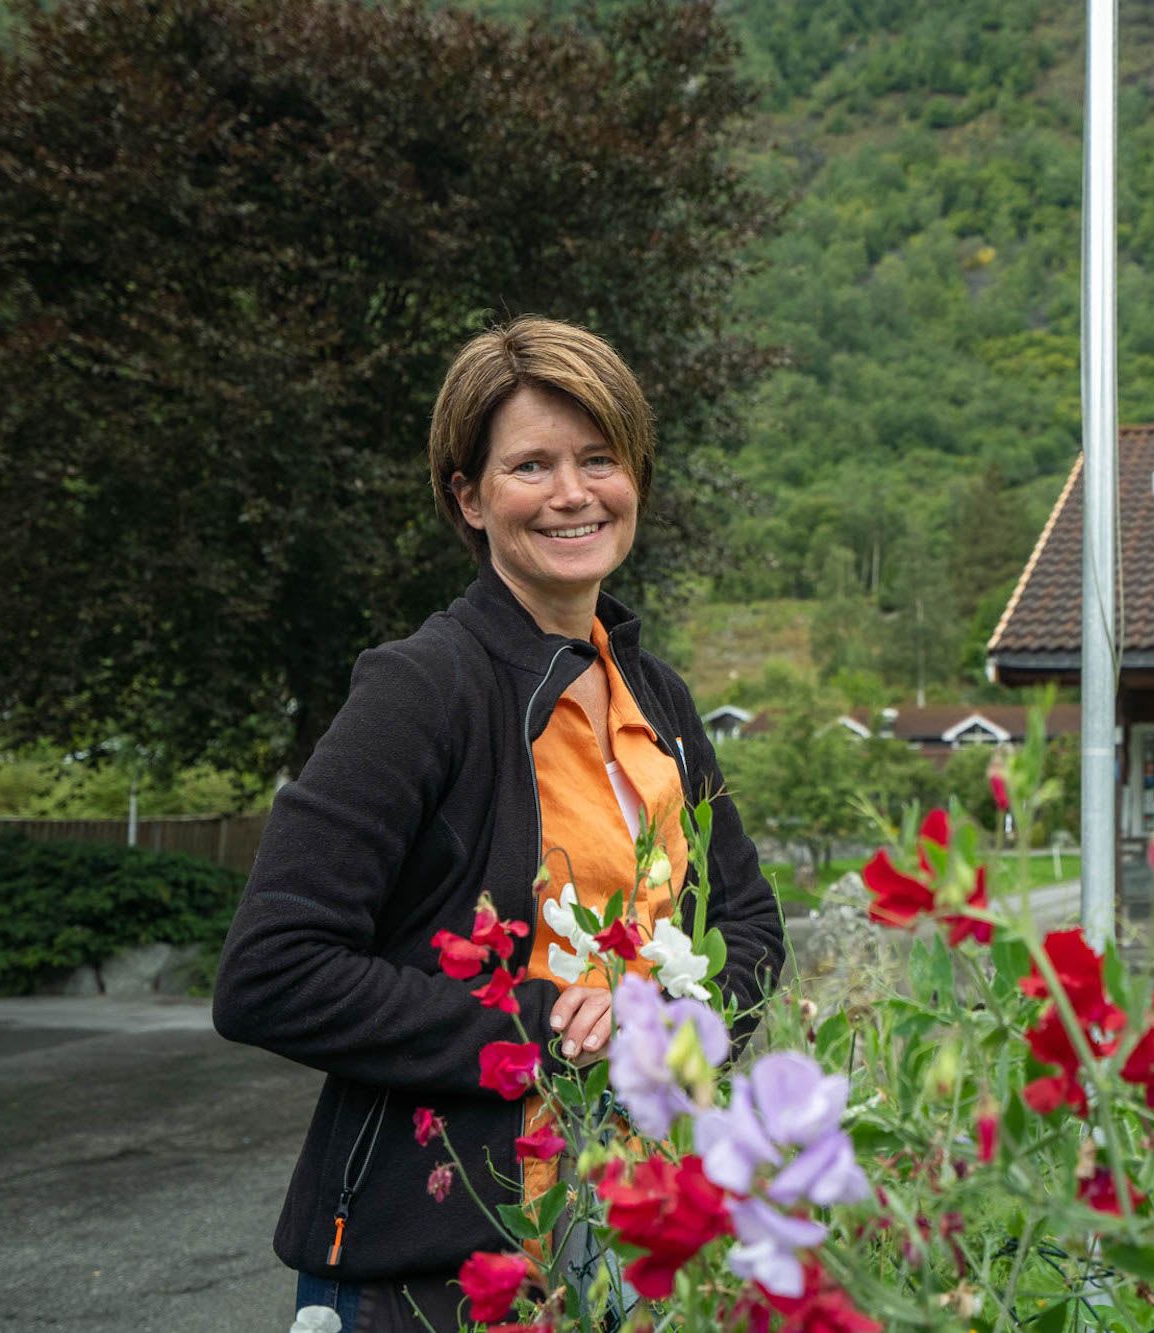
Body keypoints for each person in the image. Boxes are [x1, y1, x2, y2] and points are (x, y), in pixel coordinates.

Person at [213, 316, 786, 1332]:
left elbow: (748, 928)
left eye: (599, 458)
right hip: (439, 1271)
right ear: (468, 498)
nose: (573, 492)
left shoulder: (660, 697)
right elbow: (272, 973)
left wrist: (672, 1027)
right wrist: (544, 1029)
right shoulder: (421, 689)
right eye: (530, 464)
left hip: (647, 1249)